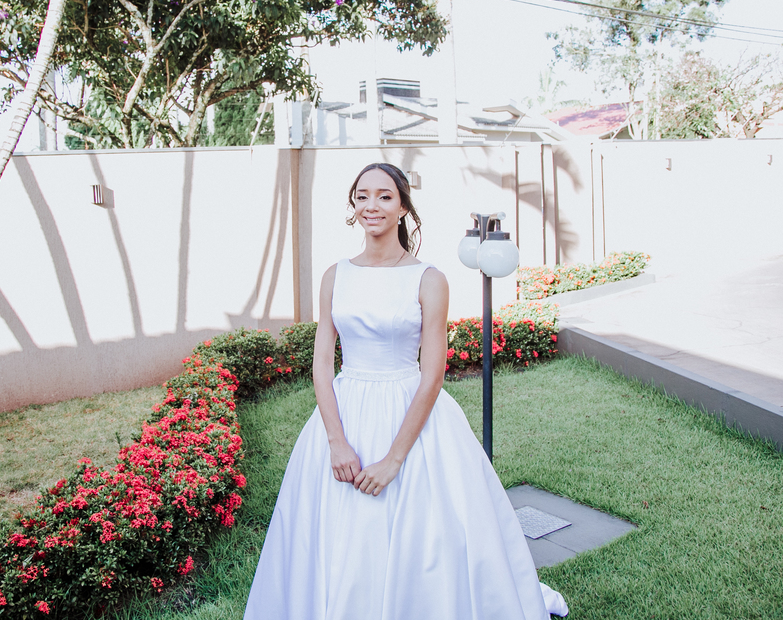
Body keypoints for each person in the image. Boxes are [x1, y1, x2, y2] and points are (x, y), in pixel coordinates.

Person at [244, 162, 569, 619]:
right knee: (333, 533)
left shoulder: (429, 278)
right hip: (345, 410)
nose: (371, 206)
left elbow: (432, 374)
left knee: (429, 532)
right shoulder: (335, 275)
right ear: (353, 205)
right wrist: (336, 441)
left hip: (410, 408)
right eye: (362, 196)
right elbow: (322, 362)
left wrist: (394, 459)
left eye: (384, 196)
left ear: (402, 207)